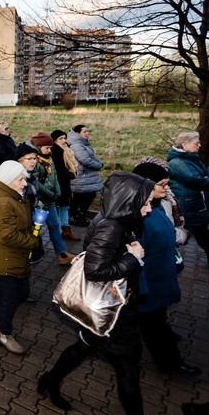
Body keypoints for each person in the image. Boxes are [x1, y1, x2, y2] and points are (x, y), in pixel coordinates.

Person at [38, 172, 153, 414]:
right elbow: (94, 271)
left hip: (113, 308)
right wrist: (133, 259)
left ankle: (49, 381)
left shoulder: (112, 219)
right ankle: (50, 381)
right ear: (130, 201)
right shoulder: (112, 226)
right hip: (114, 315)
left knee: (84, 348)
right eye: (147, 202)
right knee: (128, 373)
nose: (149, 208)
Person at [132, 162, 201, 376]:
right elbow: (134, 257)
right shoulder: (139, 215)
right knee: (154, 327)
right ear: (145, 186)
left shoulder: (158, 205)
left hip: (161, 276)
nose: (166, 188)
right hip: (147, 284)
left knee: (155, 323)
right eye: (162, 184)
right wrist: (140, 288)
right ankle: (170, 364)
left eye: (167, 184)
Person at [0, 160, 40, 355]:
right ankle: (4, 333)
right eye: (21, 179)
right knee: (11, 296)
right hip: (4, 258)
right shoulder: (3, 202)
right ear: (8, 181)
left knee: (22, 293)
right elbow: (7, 235)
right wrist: (33, 241)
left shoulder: (14, 197)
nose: (25, 183)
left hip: (15, 256)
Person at [28, 132, 75, 265]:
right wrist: (50, 194)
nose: (50, 150)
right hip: (41, 204)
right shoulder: (34, 162)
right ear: (39, 147)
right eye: (47, 148)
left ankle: (62, 254)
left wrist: (58, 193)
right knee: (36, 229)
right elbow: (36, 183)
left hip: (51, 202)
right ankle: (30, 254)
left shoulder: (49, 159)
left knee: (54, 226)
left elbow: (54, 178)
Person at [167, 131, 209, 263]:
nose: (199, 145)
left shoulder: (191, 159)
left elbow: (204, 174)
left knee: (199, 232)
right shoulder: (178, 162)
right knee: (192, 232)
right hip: (187, 204)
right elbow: (194, 179)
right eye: (196, 143)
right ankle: (169, 257)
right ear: (184, 145)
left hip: (194, 203)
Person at [67, 124, 104, 227]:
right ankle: (76, 216)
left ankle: (75, 216)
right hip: (82, 176)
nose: (87, 133)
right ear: (77, 133)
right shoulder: (77, 145)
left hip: (85, 176)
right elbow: (85, 160)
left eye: (87, 131)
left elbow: (92, 157)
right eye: (84, 132)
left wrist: (100, 163)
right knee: (85, 196)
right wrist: (98, 165)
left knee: (81, 197)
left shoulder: (83, 144)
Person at [51, 129, 80, 241]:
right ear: (54, 140)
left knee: (64, 206)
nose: (64, 140)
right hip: (58, 183)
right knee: (58, 206)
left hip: (64, 183)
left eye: (64, 138)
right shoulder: (56, 151)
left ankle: (66, 230)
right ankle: (62, 230)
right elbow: (58, 169)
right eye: (60, 138)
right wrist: (68, 174)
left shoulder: (66, 150)